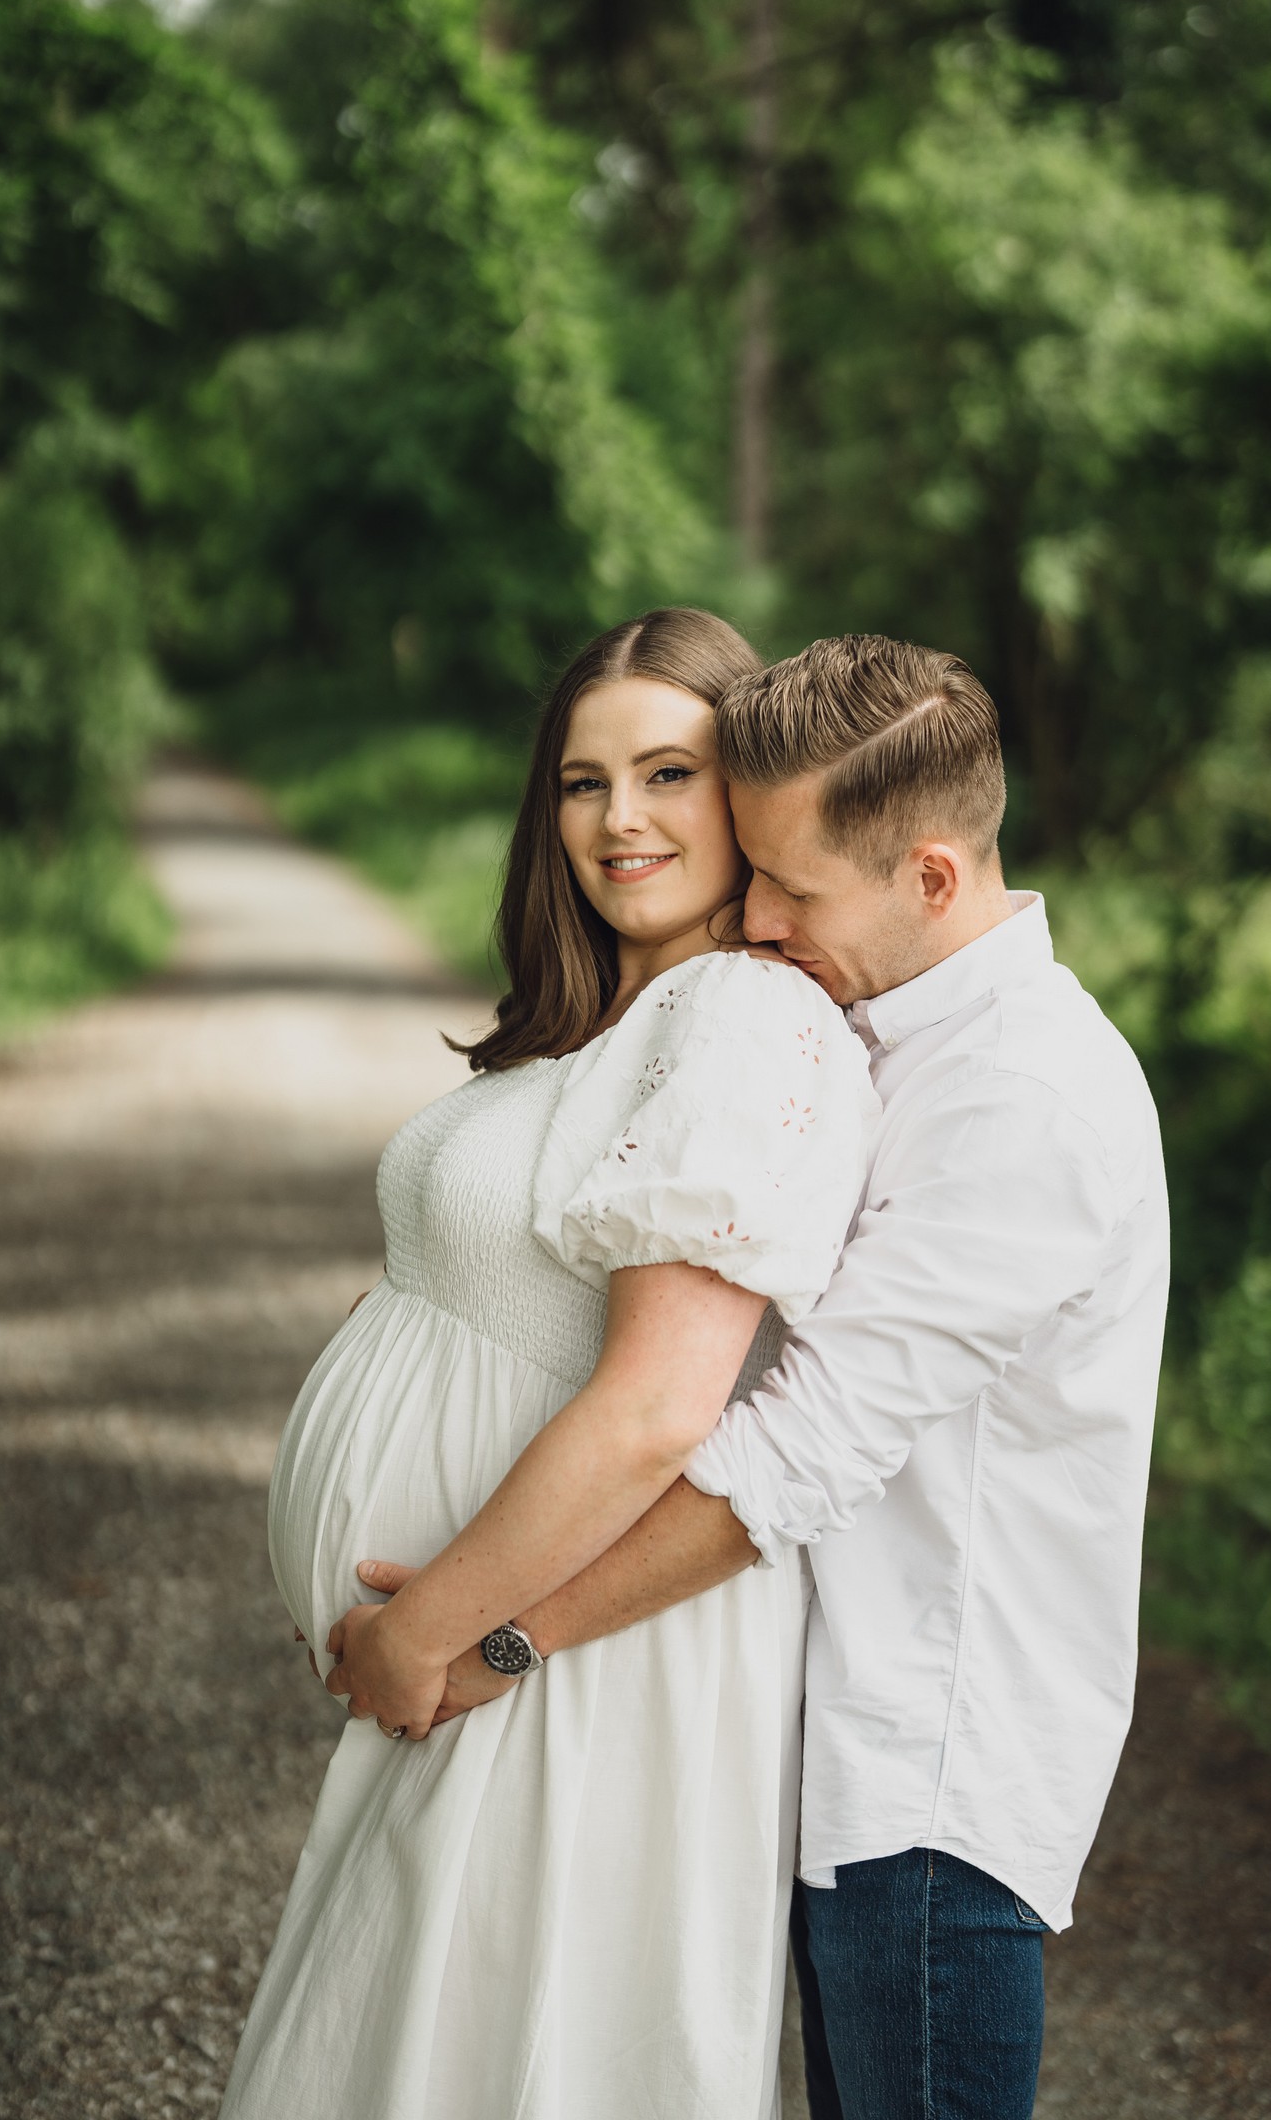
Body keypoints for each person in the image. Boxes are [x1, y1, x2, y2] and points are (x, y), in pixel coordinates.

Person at [347, 633, 1170, 2120]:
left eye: (793, 887)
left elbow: (794, 1448)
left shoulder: (1026, 1098)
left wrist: (490, 1641)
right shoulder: (887, 1029)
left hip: (923, 1790)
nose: (761, 917)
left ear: (931, 875)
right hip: (821, 1748)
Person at [218, 608, 880, 2120]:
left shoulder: (740, 1018)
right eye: (584, 782)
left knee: (506, 2057)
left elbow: (659, 1406)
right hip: (490, 1657)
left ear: (756, 796)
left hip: (564, 1663)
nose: (620, 819)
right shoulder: (614, 1027)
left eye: (669, 772)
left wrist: (428, 1634)